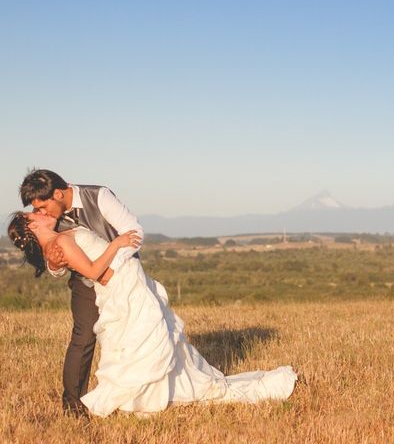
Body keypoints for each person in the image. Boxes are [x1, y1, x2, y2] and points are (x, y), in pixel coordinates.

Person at [7, 211, 297, 417]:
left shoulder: (55, 244)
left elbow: (62, 266)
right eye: (34, 213)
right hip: (122, 286)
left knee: (146, 339)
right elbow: (95, 272)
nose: (40, 211)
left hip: (127, 283)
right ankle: (146, 394)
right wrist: (117, 244)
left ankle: (153, 392)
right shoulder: (59, 243)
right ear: (31, 226)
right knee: (145, 339)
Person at [19, 169, 145, 416]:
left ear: (58, 193)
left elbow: (134, 233)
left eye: (43, 207)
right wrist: (55, 265)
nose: (41, 214)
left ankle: (133, 393)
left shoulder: (99, 196)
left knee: (131, 335)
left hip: (121, 277)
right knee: (83, 336)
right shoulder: (48, 219)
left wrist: (111, 272)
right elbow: (55, 262)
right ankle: (73, 404)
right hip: (84, 282)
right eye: (37, 210)